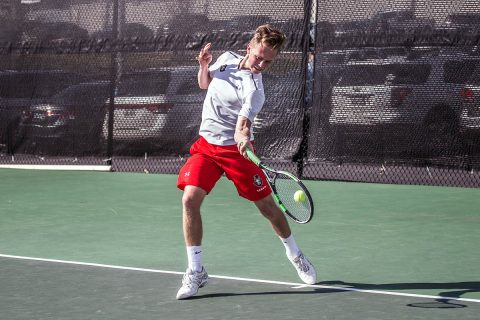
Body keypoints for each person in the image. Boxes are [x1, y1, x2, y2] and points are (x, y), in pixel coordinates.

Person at [175, 24, 316, 300]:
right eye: (258, 57)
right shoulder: (226, 59)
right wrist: (204, 66)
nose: (261, 64)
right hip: (206, 146)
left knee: (268, 207)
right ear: (249, 47)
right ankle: (196, 271)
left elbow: (244, 121)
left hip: (235, 152)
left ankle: (295, 254)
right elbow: (205, 84)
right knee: (190, 199)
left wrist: (242, 133)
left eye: (268, 61)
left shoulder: (255, 90)